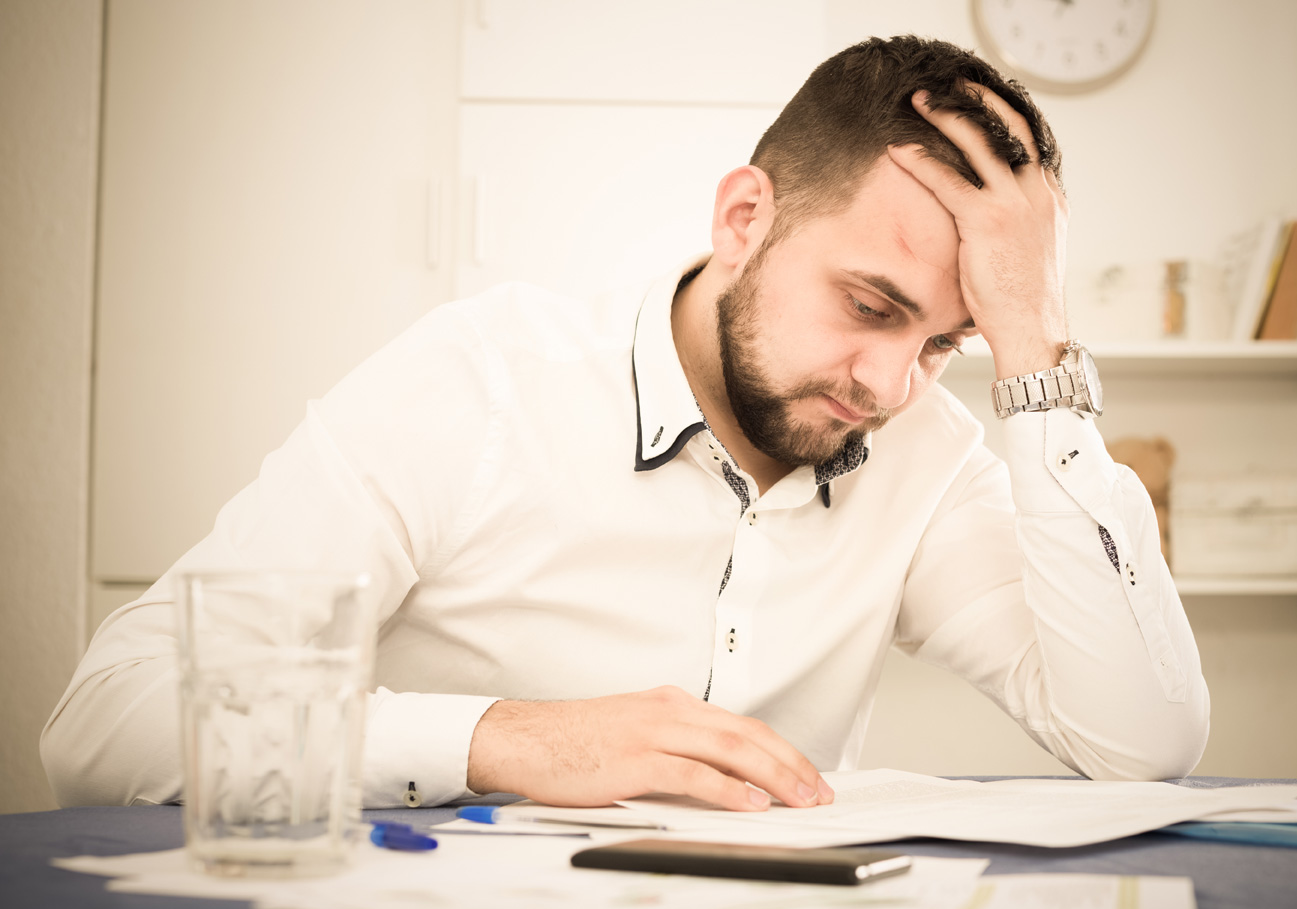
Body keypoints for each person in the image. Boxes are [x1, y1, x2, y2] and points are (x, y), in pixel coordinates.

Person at [42, 35, 1209, 811]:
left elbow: (1142, 745)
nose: (894, 383)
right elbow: (105, 727)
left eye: (945, 342)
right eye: (869, 307)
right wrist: (500, 741)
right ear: (745, 217)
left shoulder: (925, 454)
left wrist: (1036, 347)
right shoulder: (481, 382)